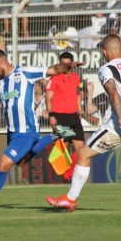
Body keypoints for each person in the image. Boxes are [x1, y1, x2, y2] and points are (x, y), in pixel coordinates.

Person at [46, 34, 121, 212]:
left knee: (83, 155)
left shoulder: (106, 69)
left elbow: (113, 93)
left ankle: (70, 200)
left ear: (104, 52)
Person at [0, 48, 79, 211]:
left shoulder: (25, 72)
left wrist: (68, 67)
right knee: (21, 162)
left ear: (1, 62)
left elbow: (53, 70)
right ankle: (55, 136)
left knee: (3, 163)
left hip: (27, 131)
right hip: (13, 133)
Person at [45, 52, 85, 180]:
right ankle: (63, 177)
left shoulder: (76, 77)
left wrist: (80, 109)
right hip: (60, 117)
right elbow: (48, 98)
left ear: (72, 64)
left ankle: (74, 176)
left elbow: (77, 94)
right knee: (63, 148)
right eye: (63, 64)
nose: (66, 66)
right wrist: (51, 116)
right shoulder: (54, 78)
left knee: (81, 150)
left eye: (68, 64)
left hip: (73, 117)